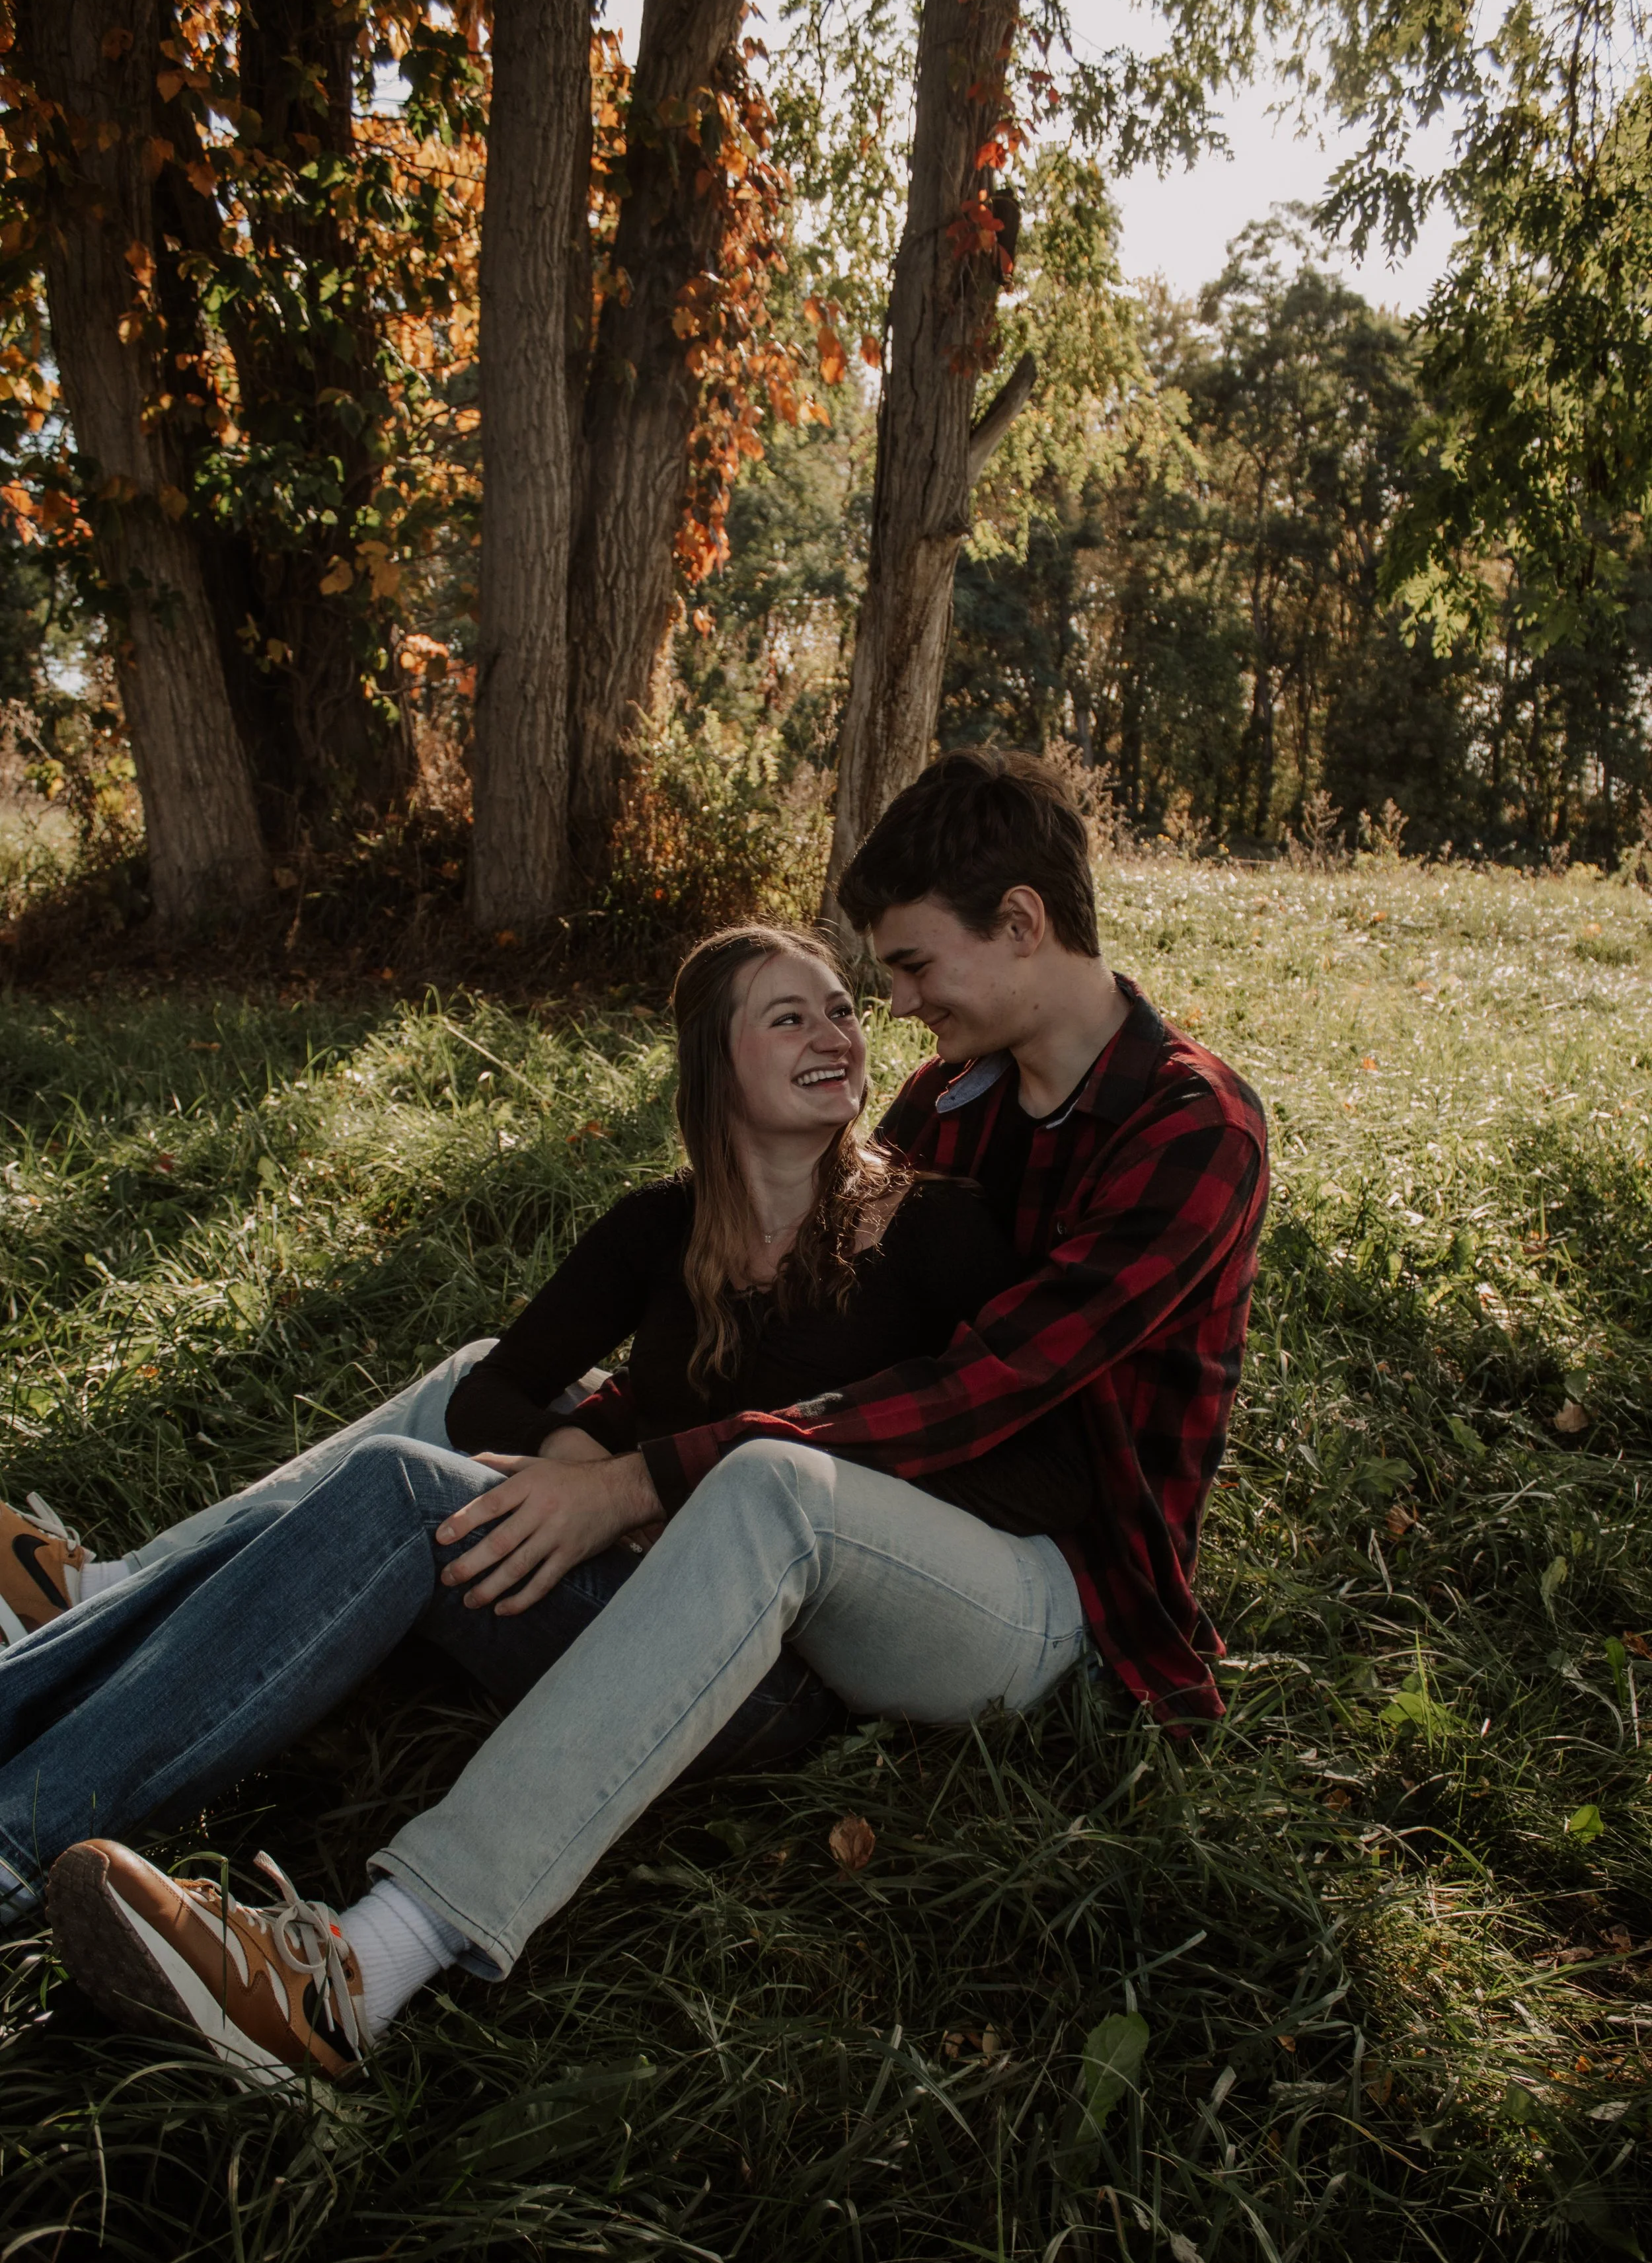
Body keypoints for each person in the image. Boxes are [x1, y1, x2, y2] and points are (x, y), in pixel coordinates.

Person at [27, 748, 1267, 2086]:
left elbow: (971, 1395)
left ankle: (359, 1970)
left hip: (1047, 1590)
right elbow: (800, 1354)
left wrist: (629, 1483)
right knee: (489, 1385)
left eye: (907, 969)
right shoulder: (945, 1104)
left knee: (758, 1487)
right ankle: (90, 1607)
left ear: (1018, 923)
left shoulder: (1187, 1125)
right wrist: (586, 1434)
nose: (893, 1010)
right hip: (864, 1532)